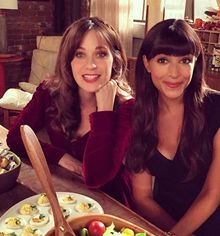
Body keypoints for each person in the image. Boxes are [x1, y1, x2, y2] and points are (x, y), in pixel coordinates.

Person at [83, 19, 220, 236]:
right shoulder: (137, 112)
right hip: (163, 223)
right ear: (147, 63)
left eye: (185, 60)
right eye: (163, 60)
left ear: (196, 63)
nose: (174, 73)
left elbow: (212, 193)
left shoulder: (217, 109)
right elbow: (142, 196)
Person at [7, 16, 133, 178]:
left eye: (101, 54)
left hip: (110, 199)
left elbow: (96, 177)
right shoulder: (49, 92)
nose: (91, 65)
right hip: (68, 192)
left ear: (115, 61)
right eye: (80, 54)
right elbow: (16, 138)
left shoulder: (127, 107)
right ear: (68, 61)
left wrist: (104, 114)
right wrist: (60, 157)